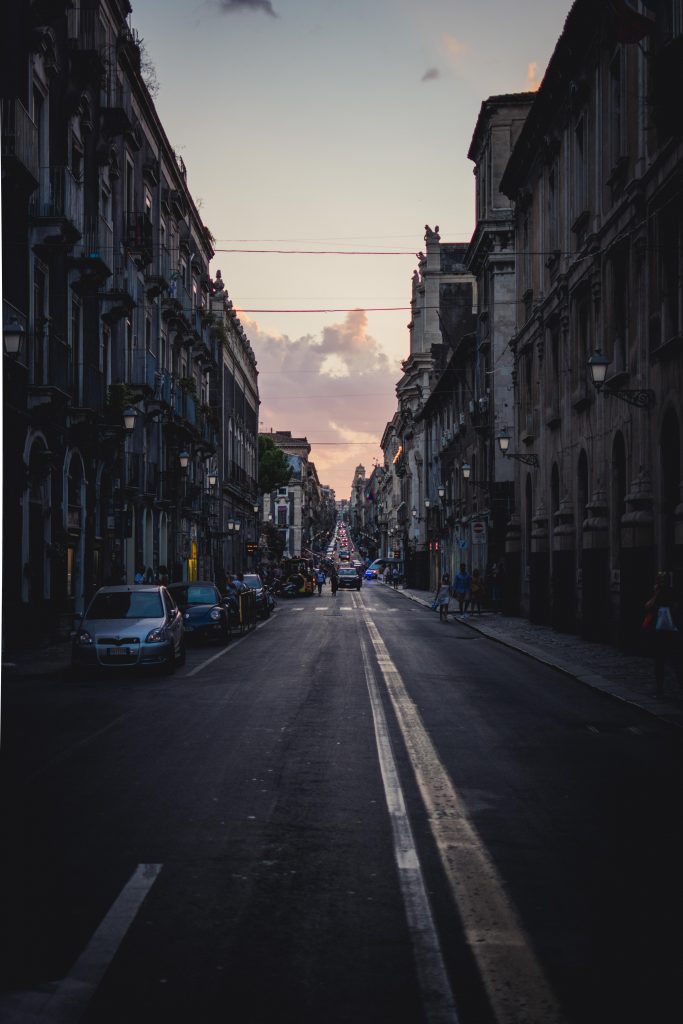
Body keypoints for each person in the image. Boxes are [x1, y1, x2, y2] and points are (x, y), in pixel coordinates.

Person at [644, 571, 682, 697]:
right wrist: (656, 593)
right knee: (662, 662)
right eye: (660, 581)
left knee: (673, 662)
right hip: (662, 633)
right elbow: (648, 606)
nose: (661, 583)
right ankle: (660, 688)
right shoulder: (658, 593)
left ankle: (670, 688)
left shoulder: (671, 593)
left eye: (663, 580)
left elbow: (676, 609)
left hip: (669, 632)